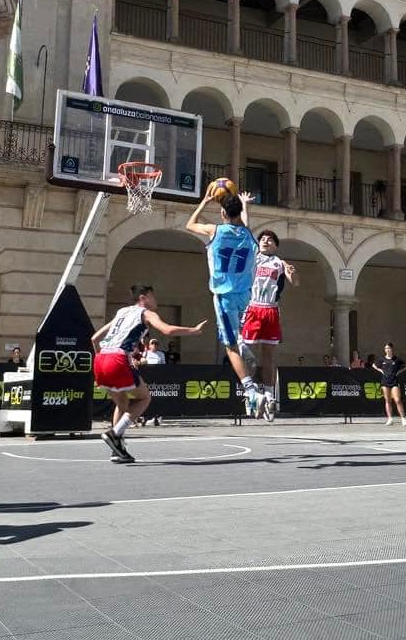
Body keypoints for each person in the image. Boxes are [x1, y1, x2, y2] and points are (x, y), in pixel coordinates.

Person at [91, 286, 205, 462]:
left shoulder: (121, 312)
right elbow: (167, 330)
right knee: (144, 398)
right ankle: (115, 434)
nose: (156, 301)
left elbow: (94, 338)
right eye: (153, 297)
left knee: (122, 403)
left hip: (100, 359)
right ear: (143, 298)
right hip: (117, 358)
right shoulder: (146, 313)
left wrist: (102, 358)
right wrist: (194, 330)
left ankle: (117, 449)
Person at [186, 188, 260, 400]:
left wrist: (204, 202)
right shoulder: (247, 233)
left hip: (224, 296)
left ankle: (249, 389)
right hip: (245, 295)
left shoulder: (215, 231)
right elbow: (244, 220)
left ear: (223, 214)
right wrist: (245, 204)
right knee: (233, 336)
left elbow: (189, 224)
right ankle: (242, 340)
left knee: (229, 346)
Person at [239, 228, 297, 423]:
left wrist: (292, 273)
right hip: (253, 307)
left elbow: (295, 282)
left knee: (268, 356)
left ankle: (270, 395)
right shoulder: (253, 257)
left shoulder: (280, 263)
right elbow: (246, 229)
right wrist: (245, 206)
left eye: (270, 239)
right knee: (244, 350)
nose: (265, 241)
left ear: (276, 245)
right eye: (262, 239)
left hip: (271, 309)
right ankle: (251, 393)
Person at [375, 343, 406, 426]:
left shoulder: (397, 359)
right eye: (386, 348)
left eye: (389, 348)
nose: (387, 350)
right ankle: (390, 419)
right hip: (385, 382)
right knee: (387, 400)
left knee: (397, 400)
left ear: (392, 349)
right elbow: (374, 365)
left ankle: (403, 418)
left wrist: (399, 372)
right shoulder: (382, 359)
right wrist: (381, 371)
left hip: (394, 381)